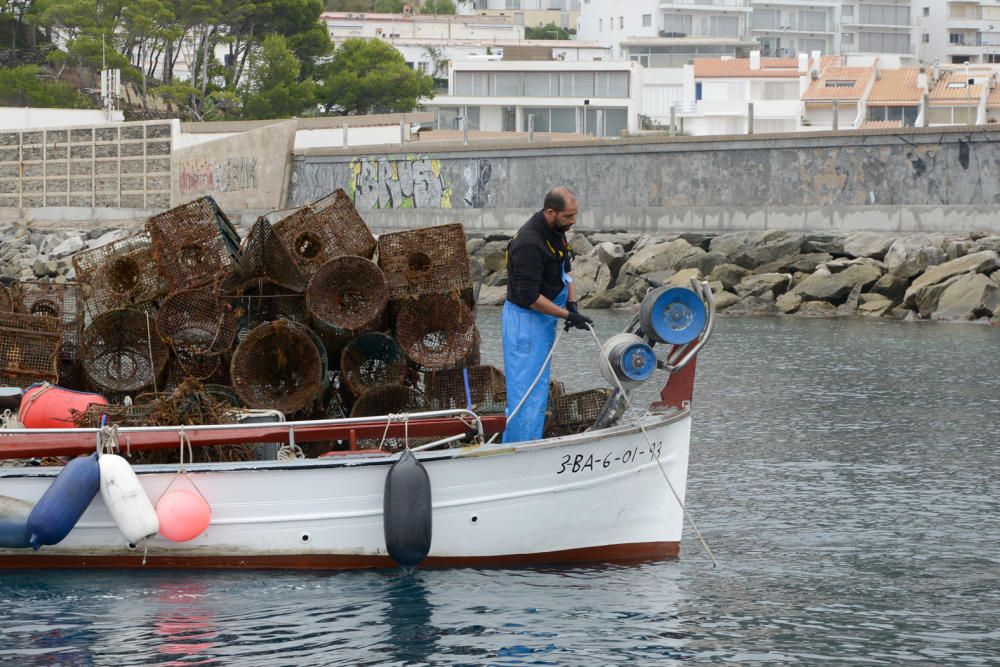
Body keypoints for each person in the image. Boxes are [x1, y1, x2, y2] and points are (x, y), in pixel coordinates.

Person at [502, 187, 593, 443]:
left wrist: (572, 303)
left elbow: (566, 267)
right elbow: (529, 297)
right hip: (525, 323)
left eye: (575, 215)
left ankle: (531, 442)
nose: (573, 221)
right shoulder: (529, 244)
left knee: (539, 390)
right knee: (526, 394)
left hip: (544, 319)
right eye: (568, 216)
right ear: (550, 212)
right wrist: (566, 315)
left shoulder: (557, 232)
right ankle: (518, 450)